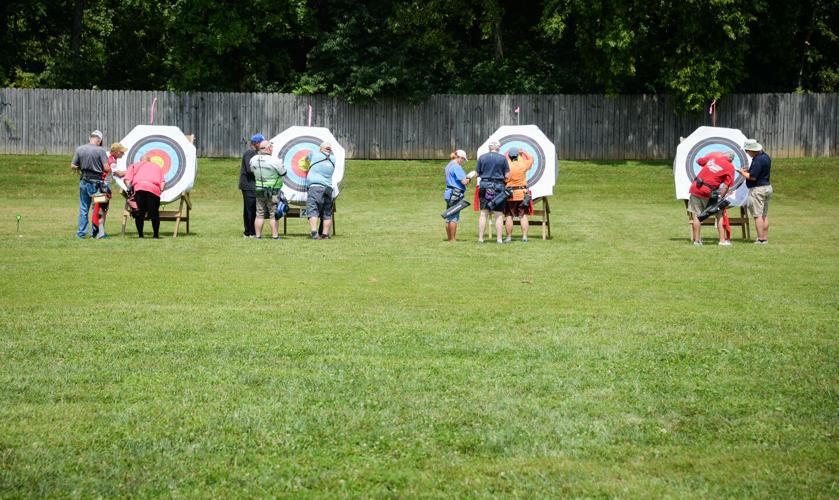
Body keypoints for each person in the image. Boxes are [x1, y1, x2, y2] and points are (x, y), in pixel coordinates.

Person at [688, 150, 735, 246]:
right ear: (731, 160)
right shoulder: (730, 167)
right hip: (708, 192)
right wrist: (720, 198)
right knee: (719, 214)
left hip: (695, 187)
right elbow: (726, 186)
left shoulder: (714, 157)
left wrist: (709, 156)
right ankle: (722, 241)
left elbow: (699, 161)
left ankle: (697, 241)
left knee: (697, 215)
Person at [70, 130, 109, 239]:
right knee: (97, 209)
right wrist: (111, 169)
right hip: (96, 184)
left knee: (83, 208)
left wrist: (80, 168)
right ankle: (95, 233)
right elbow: (106, 168)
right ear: (99, 140)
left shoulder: (80, 149)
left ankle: (81, 234)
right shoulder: (100, 150)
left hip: (83, 182)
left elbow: (73, 165)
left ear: (90, 138)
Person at [249, 140, 287, 239]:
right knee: (273, 214)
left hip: (259, 190)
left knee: (259, 214)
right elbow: (283, 173)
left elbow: (252, 171)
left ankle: (258, 236)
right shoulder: (275, 160)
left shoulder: (253, 159)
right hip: (273, 191)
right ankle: (274, 236)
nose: (272, 149)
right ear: (268, 148)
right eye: (271, 147)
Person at [91, 142, 127, 239]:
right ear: (115, 152)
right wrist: (130, 171)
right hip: (103, 187)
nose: (123, 154)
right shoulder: (112, 160)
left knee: (97, 209)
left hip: (98, 185)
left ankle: (96, 233)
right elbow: (118, 174)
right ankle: (100, 234)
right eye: (121, 152)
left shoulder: (106, 155)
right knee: (102, 210)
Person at [476, 141, 510, 243]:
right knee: (498, 214)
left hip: (485, 186)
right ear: (498, 148)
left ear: (489, 148)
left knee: (483, 213)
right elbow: (507, 175)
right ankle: (499, 239)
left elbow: (478, 173)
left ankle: (481, 238)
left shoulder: (482, 157)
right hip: (498, 187)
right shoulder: (503, 158)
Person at [739, 139, 772, 244]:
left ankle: (761, 239)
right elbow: (758, 173)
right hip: (767, 187)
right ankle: (764, 238)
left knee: (757, 215)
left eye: (747, 151)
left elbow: (752, 177)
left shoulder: (757, 159)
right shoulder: (766, 156)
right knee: (764, 215)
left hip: (758, 190)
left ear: (752, 150)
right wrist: (747, 171)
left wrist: (741, 173)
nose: (747, 153)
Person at [125, 155, 165, 238]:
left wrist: (130, 190)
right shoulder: (156, 167)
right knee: (154, 213)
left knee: (139, 213)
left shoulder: (133, 165)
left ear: (140, 160)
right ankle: (156, 235)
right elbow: (162, 182)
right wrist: (160, 190)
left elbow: (127, 180)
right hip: (153, 189)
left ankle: (140, 235)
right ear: (149, 160)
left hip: (139, 188)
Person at [304, 141, 336, 239]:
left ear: (321, 148)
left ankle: (314, 233)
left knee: (313, 210)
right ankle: (325, 235)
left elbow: (306, 159)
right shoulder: (333, 159)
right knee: (327, 213)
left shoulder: (314, 154)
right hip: (328, 189)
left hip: (315, 188)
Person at [503, 149, 534, 243]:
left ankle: (508, 237)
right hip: (522, 194)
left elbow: (504, 178)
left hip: (510, 194)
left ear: (509, 156)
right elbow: (531, 159)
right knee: (523, 216)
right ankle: (524, 237)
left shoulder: (506, 165)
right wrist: (524, 152)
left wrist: (506, 154)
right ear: (517, 156)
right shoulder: (523, 164)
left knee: (509, 216)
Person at [443, 149, 472, 242]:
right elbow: (464, 182)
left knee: (448, 215)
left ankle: (449, 238)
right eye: (463, 159)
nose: (463, 162)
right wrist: (470, 177)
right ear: (460, 157)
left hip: (448, 193)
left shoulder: (449, 165)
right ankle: (453, 239)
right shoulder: (457, 167)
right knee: (454, 217)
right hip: (455, 193)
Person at [239, 134, 264, 238]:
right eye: (261, 143)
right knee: (250, 209)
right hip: (249, 185)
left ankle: (250, 231)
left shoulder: (254, 153)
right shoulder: (250, 153)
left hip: (251, 185)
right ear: (256, 143)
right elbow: (250, 170)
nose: (263, 145)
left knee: (251, 208)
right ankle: (249, 232)